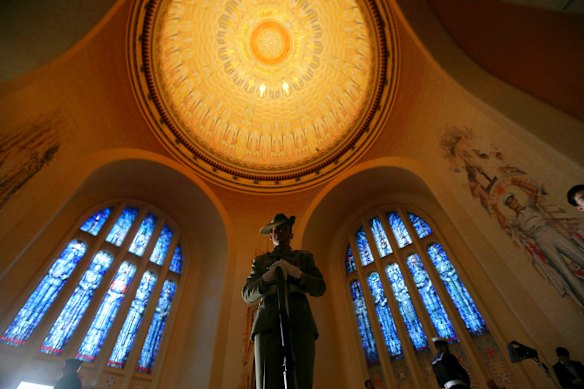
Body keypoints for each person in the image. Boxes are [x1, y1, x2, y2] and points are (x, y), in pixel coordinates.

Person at [242, 213, 326, 389]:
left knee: (301, 380)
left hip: (300, 320)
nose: (279, 231)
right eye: (275, 229)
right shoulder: (261, 261)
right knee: (267, 382)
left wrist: (297, 274)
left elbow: (319, 287)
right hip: (267, 322)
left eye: (283, 228)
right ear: (270, 235)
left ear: (291, 233)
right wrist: (266, 278)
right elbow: (248, 293)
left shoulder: (303, 258)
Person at [495, 193, 584, 308]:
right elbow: (504, 224)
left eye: (513, 200)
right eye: (510, 203)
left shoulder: (530, 206)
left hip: (549, 231)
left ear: (516, 199)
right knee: (564, 271)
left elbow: (534, 191)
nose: (513, 203)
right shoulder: (516, 221)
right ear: (509, 207)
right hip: (540, 240)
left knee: (578, 255)